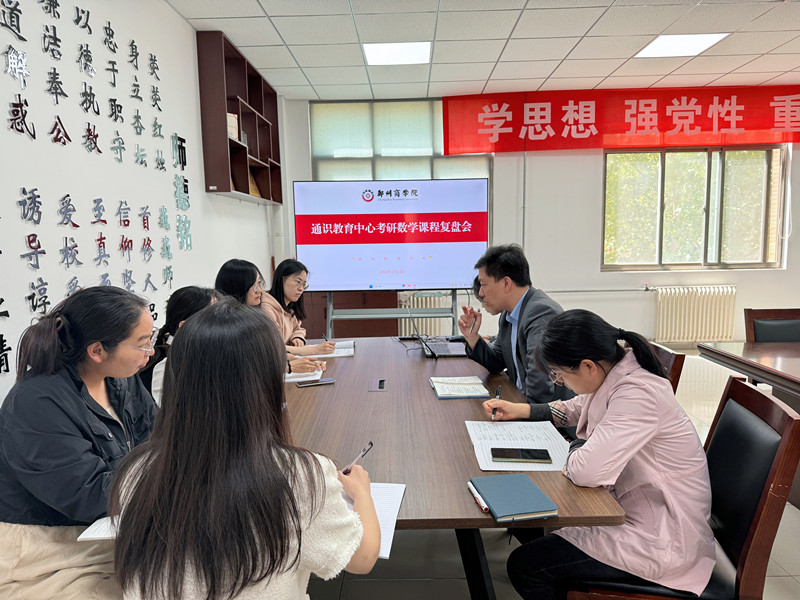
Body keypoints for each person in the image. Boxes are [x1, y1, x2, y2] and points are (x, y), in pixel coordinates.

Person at [109, 299, 380, 600]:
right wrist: (362, 494)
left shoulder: (136, 471)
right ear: (266, 382)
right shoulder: (302, 475)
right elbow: (362, 558)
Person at [497, 309, 714, 599]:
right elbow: (575, 408)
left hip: (661, 537)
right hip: (635, 509)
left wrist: (576, 445)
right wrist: (521, 411)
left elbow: (586, 471)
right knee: (530, 523)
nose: (560, 382)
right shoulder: (615, 372)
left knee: (526, 566)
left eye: (559, 375)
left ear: (587, 366)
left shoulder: (637, 393)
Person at [0, 286, 158, 599]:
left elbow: (158, 440)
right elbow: (90, 494)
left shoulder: (122, 381)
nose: (150, 352)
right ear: (97, 351)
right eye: (142, 344)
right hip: (46, 548)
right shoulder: (36, 402)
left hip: (116, 529)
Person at [458, 244, 574, 415]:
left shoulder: (541, 312)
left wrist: (518, 416)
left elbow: (540, 386)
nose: (481, 293)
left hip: (548, 417)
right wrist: (473, 337)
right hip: (521, 402)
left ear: (506, 283)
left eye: (483, 285)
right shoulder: (509, 314)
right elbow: (497, 362)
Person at [215, 258, 323, 374]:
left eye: (260, 284)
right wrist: (292, 364)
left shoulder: (247, 317)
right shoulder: (231, 325)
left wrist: (300, 357)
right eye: (255, 285)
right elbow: (251, 363)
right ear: (238, 287)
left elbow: (267, 351)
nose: (260, 290)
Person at [138, 286, 221, 404]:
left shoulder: (203, 353)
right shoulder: (167, 366)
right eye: (214, 318)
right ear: (185, 326)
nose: (223, 325)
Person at [263, 258, 334, 357]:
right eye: (298, 282)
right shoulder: (266, 309)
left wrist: (297, 337)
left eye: (304, 284)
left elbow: (298, 328)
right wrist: (314, 350)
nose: (301, 289)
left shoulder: (288, 308)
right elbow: (274, 348)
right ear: (282, 279)